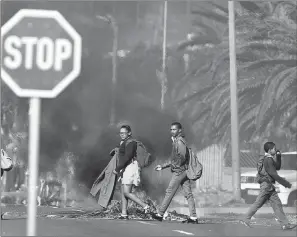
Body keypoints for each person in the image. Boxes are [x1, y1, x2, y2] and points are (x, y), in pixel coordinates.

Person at [240, 142, 297, 230]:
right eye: (274, 148)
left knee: (277, 204)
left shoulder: (269, 159)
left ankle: (285, 224)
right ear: (270, 150)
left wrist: (278, 156)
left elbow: (277, 167)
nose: (275, 149)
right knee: (258, 203)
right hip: (266, 186)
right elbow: (273, 174)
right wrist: (285, 183)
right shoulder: (268, 160)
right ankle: (245, 219)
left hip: (269, 186)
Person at [152, 122, 198, 223]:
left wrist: (175, 167)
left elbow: (182, 156)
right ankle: (193, 217)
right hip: (183, 170)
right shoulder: (177, 141)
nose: (172, 131)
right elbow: (175, 158)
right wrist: (163, 166)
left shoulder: (179, 141)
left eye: (174, 129)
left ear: (180, 130)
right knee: (188, 194)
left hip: (179, 171)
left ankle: (160, 214)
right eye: (171, 129)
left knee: (169, 192)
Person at [112, 125, 150, 219]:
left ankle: (145, 206)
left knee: (126, 192)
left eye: (124, 133)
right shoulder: (124, 142)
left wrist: (117, 169)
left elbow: (127, 157)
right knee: (123, 191)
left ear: (129, 133)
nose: (122, 134)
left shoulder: (131, 142)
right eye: (120, 133)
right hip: (126, 167)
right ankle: (124, 213)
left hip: (130, 167)